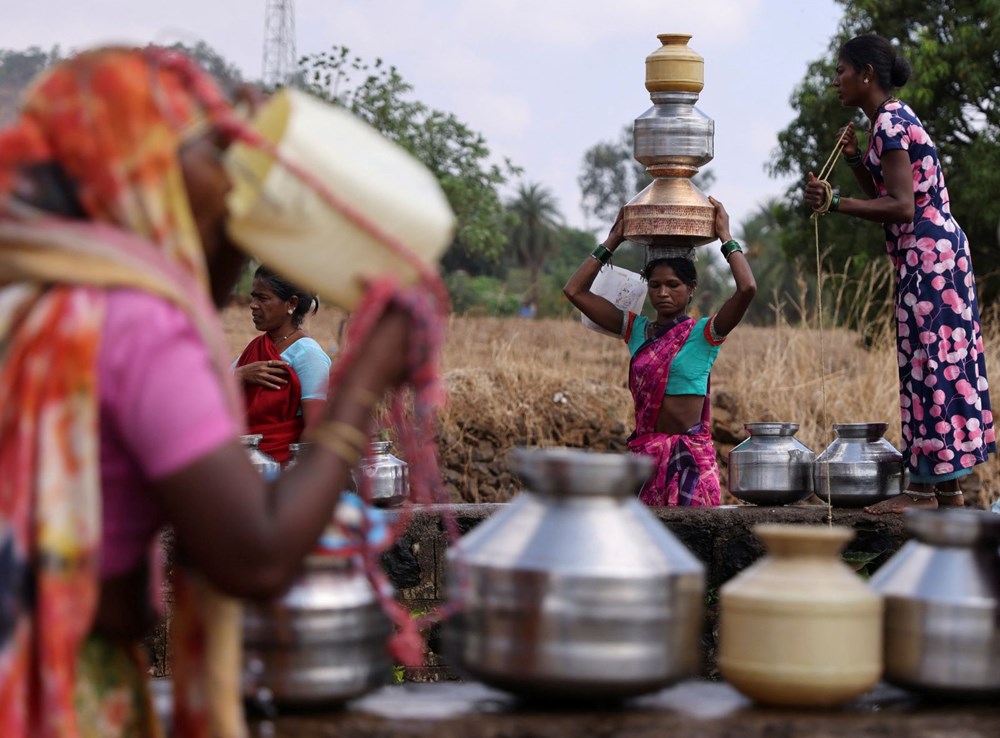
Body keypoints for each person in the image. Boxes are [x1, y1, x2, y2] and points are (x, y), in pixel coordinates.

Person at [0, 47, 437, 738]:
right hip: (54, 698)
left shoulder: (31, 295)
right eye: (211, 146)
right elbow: (254, 554)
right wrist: (365, 379)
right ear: (142, 168)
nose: (237, 175)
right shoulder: (137, 321)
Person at [804, 33, 995, 513]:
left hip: (928, 258)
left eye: (841, 70)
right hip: (939, 257)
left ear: (866, 73)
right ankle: (948, 488)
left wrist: (836, 203)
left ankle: (921, 491)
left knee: (926, 367)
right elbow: (887, 188)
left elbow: (902, 206)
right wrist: (852, 161)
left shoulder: (888, 122)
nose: (836, 80)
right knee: (942, 365)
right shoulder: (893, 119)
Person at [563, 198, 756, 506]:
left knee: (697, 548)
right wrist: (613, 239)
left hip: (689, 463)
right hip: (646, 459)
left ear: (691, 287)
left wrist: (725, 236)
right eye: (655, 285)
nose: (663, 293)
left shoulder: (704, 334)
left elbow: (747, 289)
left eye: (673, 284)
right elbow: (574, 291)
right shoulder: (636, 330)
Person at [234, 265, 332, 464]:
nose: (252, 305)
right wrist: (241, 375)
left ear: (291, 303)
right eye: (253, 297)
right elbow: (208, 396)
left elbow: (314, 429)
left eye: (262, 298)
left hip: (283, 467)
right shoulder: (254, 350)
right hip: (242, 463)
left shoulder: (308, 354)